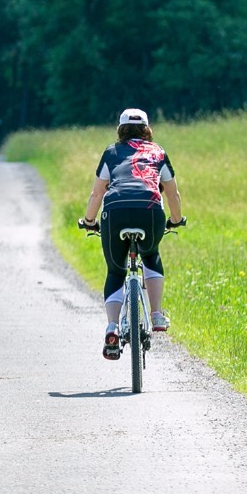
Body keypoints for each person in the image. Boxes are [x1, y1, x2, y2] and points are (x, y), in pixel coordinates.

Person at [79, 107, 183, 360]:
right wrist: (176, 220)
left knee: (116, 271)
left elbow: (97, 193)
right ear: (147, 129)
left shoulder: (111, 152)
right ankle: (156, 314)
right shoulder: (158, 152)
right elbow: (172, 193)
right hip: (149, 212)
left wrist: (89, 220)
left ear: (120, 130)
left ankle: (112, 327)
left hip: (114, 212)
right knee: (151, 255)